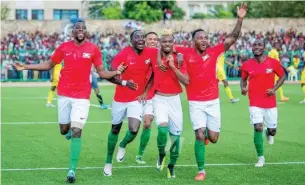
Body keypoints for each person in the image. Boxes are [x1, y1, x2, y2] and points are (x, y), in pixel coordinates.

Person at [14, 19, 126, 183]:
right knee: (64, 130)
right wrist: (25, 67)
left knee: (76, 131)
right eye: (77, 28)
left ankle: (71, 170)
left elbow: (102, 73)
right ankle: (67, 133)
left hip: (82, 97)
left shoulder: (93, 49)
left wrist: (116, 72)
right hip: (65, 94)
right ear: (72, 32)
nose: (80, 30)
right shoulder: (64, 47)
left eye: (83, 28)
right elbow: (48, 64)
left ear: (86, 31)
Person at [158, 2, 248, 181]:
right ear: (194, 41)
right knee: (199, 135)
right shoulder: (184, 51)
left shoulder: (215, 51)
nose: (204, 40)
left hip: (213, 101)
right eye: (200, 38)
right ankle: (201, 170)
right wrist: (166, 61)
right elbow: (164, 47)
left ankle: (208, 135)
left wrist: (240, 19)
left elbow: (232, 38)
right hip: (195, 103)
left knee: (213, 138)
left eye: (206, 38)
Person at [103, 30, 157, 176]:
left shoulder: (150, 53)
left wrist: (145, 91)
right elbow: (109, 75)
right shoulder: (123, 54)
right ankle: (108, 162)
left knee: (134, 129)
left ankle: (123, 144)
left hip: (136, 99)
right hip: (120, 99)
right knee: (115, 129)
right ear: (131, 41)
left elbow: (154, 73)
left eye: (142, 37)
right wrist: (124, 82)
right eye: (137, 37)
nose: (141, 39)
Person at [240, 39, 286, 167]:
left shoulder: (273, 62)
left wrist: (274, 88)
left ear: (264, 48)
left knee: (272, 131)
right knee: (257, 127)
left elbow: (282, 76)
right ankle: (261, 157)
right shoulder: (247, 65)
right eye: (254, 45)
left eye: (259, 45)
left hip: (270, 102)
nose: (256, 47)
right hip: (254, 102)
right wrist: (243, 88)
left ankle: (268, 132)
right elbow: (243, 80)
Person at [150, 29, 188, 178]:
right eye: (164, 41)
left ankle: (171, 166)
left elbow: (186, 81)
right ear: (160, 43)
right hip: (159, 99)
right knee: (162, 130)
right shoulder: (154, 55)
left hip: (174, 100)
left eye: (169, 41)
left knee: (175, 137)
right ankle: (161, 154)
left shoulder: (179, 58)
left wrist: (173, 66)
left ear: (173, 43)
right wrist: (159, 55)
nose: (167, 44)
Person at [136, 31, 159, 164]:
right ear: (145, 40)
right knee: (132, 128)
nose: (152, 41)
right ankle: (123, 144)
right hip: (136, 95)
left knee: (147, 123)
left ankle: (139, 154)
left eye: (155, 39)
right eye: (150, 39)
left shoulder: (160, 54)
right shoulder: (139, 52)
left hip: (152, 95)